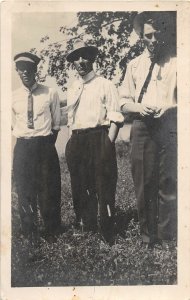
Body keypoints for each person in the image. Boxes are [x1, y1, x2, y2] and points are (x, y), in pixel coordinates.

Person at [119, 12, 177, 248]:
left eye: (157, 34)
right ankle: (147, 236)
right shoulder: (134, 65)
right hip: (142, 126)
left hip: (169, 124)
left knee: (168, 181)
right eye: (148, 36)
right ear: (141, 37)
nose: (154, 40)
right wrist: (140, 108)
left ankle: (166, 236)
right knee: (144, 182)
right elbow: (122, 102)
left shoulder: (176, 62)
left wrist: (169, 108)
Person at [64, 39, 124, 244]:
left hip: (99, 138)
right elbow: (70, 118)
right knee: (81, 185)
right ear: (73, 63)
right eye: (76, 58)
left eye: (84, 56)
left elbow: (116, 117)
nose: (81, 61)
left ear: (92, 58)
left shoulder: (105, 84)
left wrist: (108, 144)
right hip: (77, 140)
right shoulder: (73, 88)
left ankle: (108, 233)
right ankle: (87, 229)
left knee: (104, 185)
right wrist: (71, 141)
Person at [12, 52, 62, 243]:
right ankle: (30, 233)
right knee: (25, 190)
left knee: (49, 189)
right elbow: (11, 125)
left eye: (29, 68)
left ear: (35, 70)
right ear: (17, 71)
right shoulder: (12, 97)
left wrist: (45, 145)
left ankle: (52, 232)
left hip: (44, 145)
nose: (25, 72)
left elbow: (56, 125)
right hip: (23, 146)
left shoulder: (50, 92)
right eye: (21, 69)